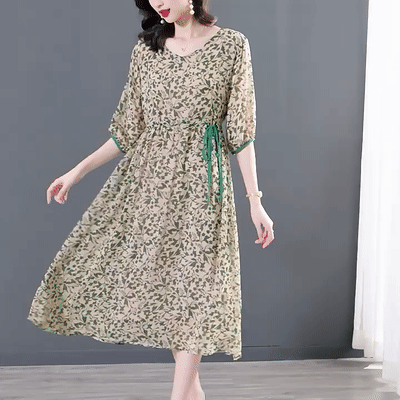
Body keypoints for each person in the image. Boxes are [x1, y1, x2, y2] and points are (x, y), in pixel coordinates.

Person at [27, 1, 275, 399]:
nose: (159, 2)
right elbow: (126, 131)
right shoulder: (147, 51)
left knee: (195, 291)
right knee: (169, 295)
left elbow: (242, 132)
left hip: (203, 188)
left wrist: (254, 200)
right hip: (149, 189)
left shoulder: (232, 45)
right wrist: (76, 172)